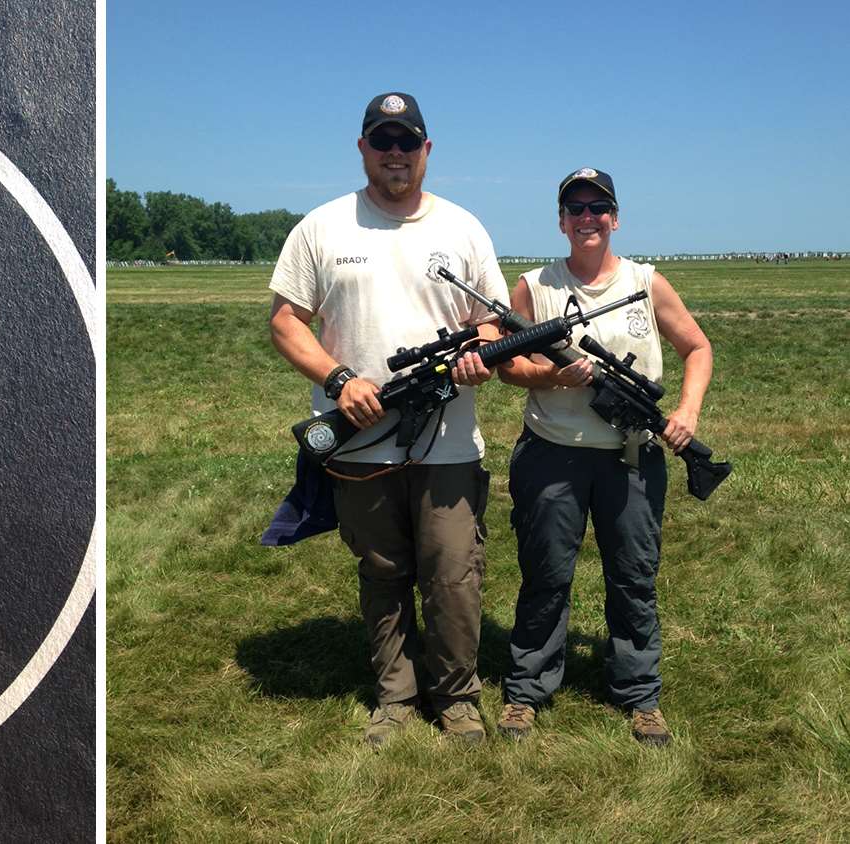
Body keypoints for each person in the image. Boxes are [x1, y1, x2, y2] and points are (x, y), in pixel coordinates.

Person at [267, 91, 509, 746]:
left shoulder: (463, 229)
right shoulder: (322, 228)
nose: (395, 154)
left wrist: (480, 356)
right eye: (383, 141)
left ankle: (458, 700)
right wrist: (339, 381)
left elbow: (489, 322)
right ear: (363, 149)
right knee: (381, 572)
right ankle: (395, 698)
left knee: (454, 573)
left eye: (408, 142)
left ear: (428, 150)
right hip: (359, 442)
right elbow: (286, 322)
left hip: (450, 443)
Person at [493, 168, 713, 746]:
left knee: (634, 577)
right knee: (545, 574)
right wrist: (555, 377)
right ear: (561, 220)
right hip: (552, 457)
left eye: (598, 208)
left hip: (633, 459)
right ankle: (526, 691)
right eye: (575, 208)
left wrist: (686, 413)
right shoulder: (534, 286)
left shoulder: (646, 281)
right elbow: (508, 366)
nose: (587, 218)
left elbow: (696, 346)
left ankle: (640, 696)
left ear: (615, 218)